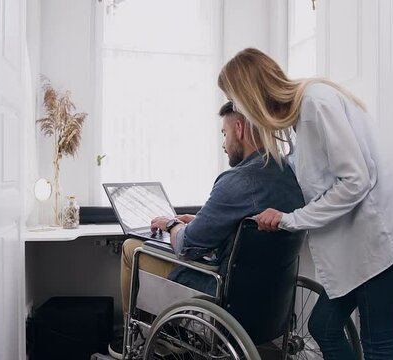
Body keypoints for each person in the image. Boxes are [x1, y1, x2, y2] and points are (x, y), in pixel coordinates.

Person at [217, 48, 393, 360]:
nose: (237, 109)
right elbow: (309, 181)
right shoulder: (299, 118)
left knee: (378, 348)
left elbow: (356, 179)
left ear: (250, 92)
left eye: (235, 100)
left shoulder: (315, 102)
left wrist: (291, 220)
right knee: (325, 327)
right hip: (360, 243)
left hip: (377, 240)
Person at [110, 101, 304, 358]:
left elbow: (187, 246)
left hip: (219, 291)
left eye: (224, 134)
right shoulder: (287, 175)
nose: (223, 144)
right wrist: (200, 219)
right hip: (268, 301)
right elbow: (243, 228)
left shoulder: (237, 180)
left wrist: (172, 224)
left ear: (239, 128)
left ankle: (144, 338)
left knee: (131, 248)